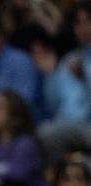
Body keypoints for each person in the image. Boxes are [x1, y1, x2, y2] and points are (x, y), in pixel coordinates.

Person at [28, 33, 91, 163]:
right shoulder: (68, 60)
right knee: (44, 132)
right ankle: (59, 175)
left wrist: (84, 78)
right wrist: (50, 76)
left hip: (87, 123)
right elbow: (53, 105)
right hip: (63, 122)